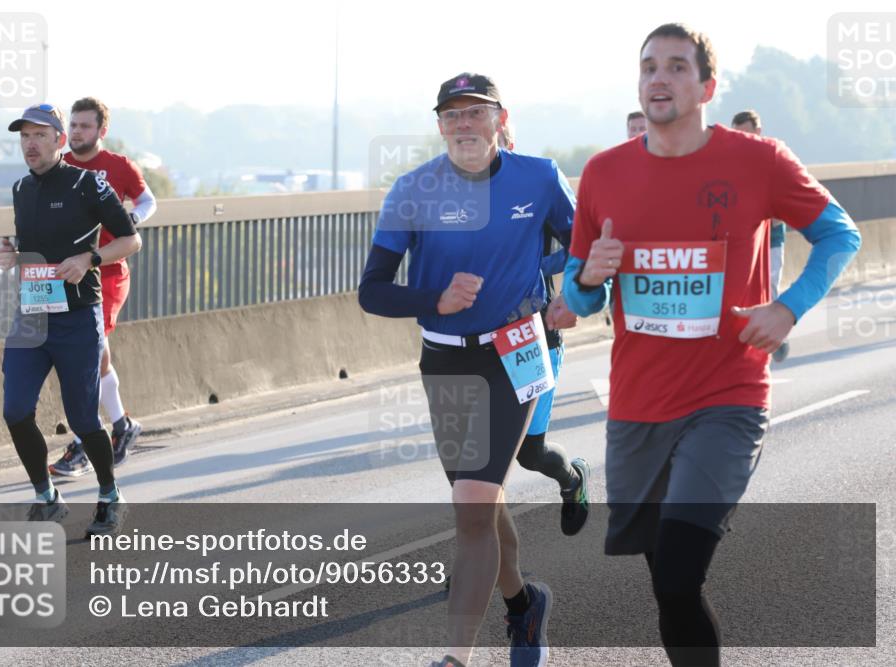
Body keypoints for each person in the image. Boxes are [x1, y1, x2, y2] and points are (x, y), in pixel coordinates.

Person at [550, 24, 860, 666]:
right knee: (668, 585)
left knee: (678, 576)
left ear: (706, 86)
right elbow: (579, 303)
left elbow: (840, 234)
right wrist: (587, 276)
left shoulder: (758, 159)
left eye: (675, 67)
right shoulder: (605, 173)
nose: (658, 78)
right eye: (648, 67)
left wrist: (788, 307)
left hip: (728, 397)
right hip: (638, 406)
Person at [360, 72, 577, 667]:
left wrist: (565, 287)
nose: (464, 125)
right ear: (439, 126)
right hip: (446, 358)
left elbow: (584, 246)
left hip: (515, 350)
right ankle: (524, 603)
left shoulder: (540, 176)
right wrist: (435, 298)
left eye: (475, 113)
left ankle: (455, 658)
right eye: (452, 115)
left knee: (475, 500)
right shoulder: (412, 189)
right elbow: (372, 292)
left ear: (500, 119)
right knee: (477, 498)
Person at [0, 103, 142, 536]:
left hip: (78, 318)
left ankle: (110, 496)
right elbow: (39, 251)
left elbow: (131, 240)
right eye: (24, 136)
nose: (30, 144)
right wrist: (13, 256)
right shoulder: (21, 189)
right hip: (32, 316)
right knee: (15, 411)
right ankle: (47, 498)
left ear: (60, 140)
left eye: (39, 135)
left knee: (82, 421)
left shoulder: (88, 185)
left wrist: (91, 258)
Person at [49, 96, 158, 476]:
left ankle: (83, 442)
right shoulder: (59, 167)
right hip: (68, 272)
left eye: (84, 126)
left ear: (101, 131)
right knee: (92, 355)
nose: (77, 132)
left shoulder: (117, 167)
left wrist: (132, 217)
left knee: (88, 353)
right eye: (73, 126)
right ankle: (122, 426)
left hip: (108, 272)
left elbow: (148, 200)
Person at [496, 125, 591, 536]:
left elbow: (579, 245)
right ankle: (477, 561)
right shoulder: (454, 198)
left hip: (531, 336)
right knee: (482, 464)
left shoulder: (536, 185)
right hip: (476, 346)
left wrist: (532, 267)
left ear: (508, 142)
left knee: (530, 455)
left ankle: (572, 479)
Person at [732, 109, 790, 361]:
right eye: (737, 135)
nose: (742, 141)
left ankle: (776, 339)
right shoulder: (730, 163)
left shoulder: (772, 159)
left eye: (745, 134)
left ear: (757, 132)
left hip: (772, 239)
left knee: (770, 290)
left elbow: (784, 207)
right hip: (742, 241)